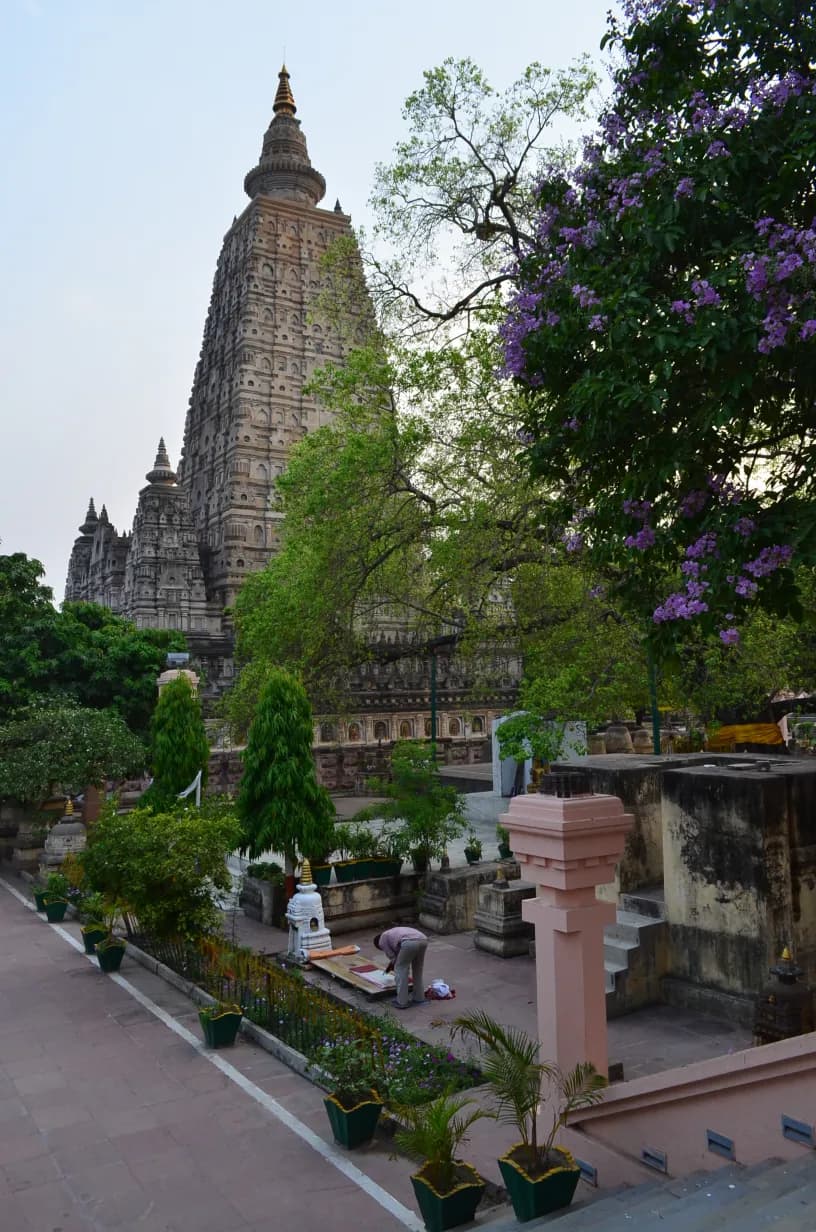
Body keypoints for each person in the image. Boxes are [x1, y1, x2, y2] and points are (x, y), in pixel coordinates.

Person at [373, 926, 428, 1009]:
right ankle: (419, 998)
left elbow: (393, 957)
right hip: (423, 940)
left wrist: (392, 966)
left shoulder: (382, 940)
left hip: (409, 942)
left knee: (401, 969)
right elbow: (400, 956)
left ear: (378, 945)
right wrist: (393, 963)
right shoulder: (392, 935)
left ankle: (402, 1001)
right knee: (418, 970)